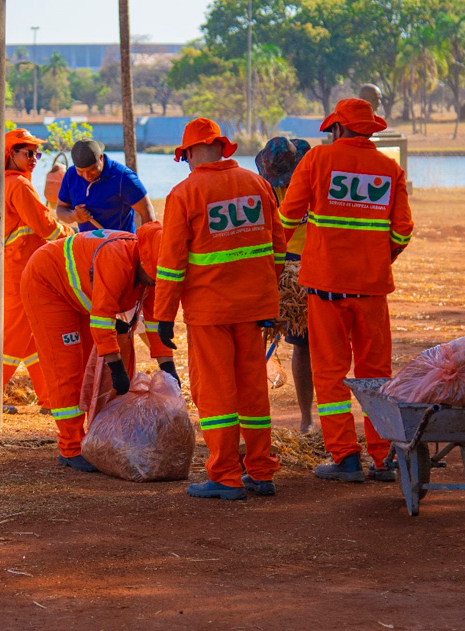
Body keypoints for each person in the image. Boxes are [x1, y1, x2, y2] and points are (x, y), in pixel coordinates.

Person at [278, 98, 413, 483]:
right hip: (371, 290)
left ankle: (345, 458)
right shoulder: (390, 170)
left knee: (331, 374)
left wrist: (274, 266)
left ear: (336, 127)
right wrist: (379, 259)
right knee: (376, 374)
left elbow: (287, 217)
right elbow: (403, 230)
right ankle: (384, 457)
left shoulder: (317, 161)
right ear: (369, 130)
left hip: (326, 288)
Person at [154, 117, 285, 500]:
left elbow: (172, 264)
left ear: (190, 152)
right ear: (222, 147)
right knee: (253, 392)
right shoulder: (257, 184)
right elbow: (277, 248)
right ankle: (261, 471)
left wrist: (163, 316)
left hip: (210, 312)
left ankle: (226, 475)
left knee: (216, 396)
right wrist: (264, 293)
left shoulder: (185, 193)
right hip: (253, 307)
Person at [21, 222, 177, 472]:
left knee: (87, 370)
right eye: (153, 278)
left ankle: (94, 439)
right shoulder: (117, 260)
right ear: (144, 264)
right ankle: (70, 447)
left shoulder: (152, 269)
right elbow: (102, 319)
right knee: (66, 368)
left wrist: (168, 368)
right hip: (47, 284)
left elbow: (155, 320)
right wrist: (117, 369)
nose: (154, 283)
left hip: (80, 291)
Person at [2, 129, 72, 412]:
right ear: (10, 154)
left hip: (19, 265)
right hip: (21, 268)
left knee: (32, 339)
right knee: (14, 336)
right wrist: (72, 236)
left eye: (36, 154)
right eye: (27, 153)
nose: (33, 159)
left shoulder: (8, 182)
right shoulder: (18, 185)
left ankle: (50, 399)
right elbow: (45, 225)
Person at [256, 137, 314, 434]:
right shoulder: (266, 187)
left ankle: (323, 420)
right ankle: (305, 419)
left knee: (327, 347)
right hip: (285, 262)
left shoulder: (316, 173)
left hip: (319, 259)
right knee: (299, 343)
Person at [56, 139, 156, 232]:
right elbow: (60, 209)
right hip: (86, 245)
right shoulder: (71, 175)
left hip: (120, 245)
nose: (87, 176)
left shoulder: (123, 177)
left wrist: (146, 244)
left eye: (92, 170)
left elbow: (147, 211)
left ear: (101, 158)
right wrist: (74, 216)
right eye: (80, 171)